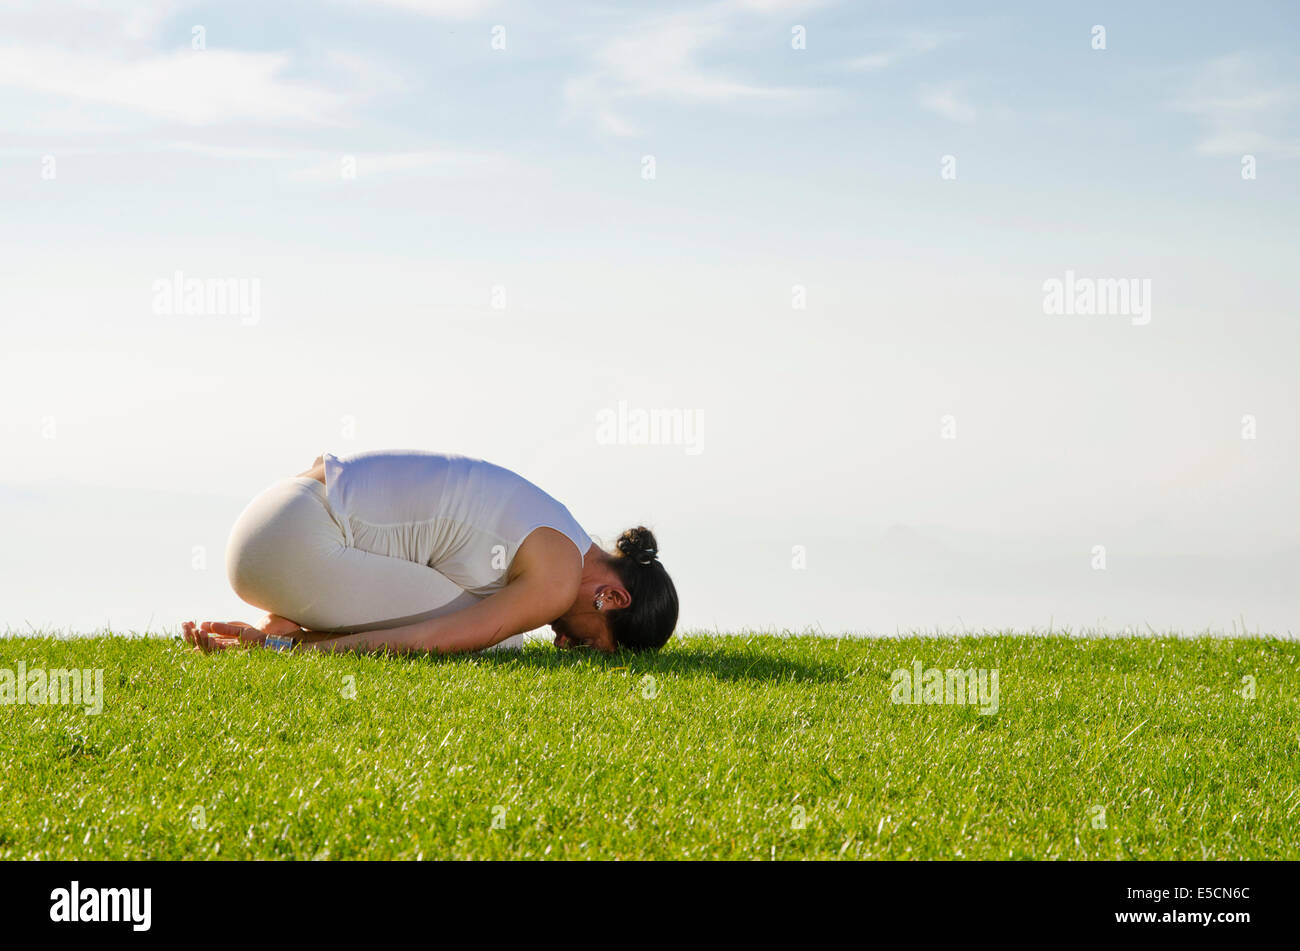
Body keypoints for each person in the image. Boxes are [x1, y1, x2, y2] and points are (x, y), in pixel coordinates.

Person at [182, 450, 677, 655]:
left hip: (276, 513)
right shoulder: (559, 577)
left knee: (495, 629)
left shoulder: (558, 524)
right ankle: (281, 635)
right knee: (500, 641)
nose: (564, 646)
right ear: (611, 599)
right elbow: (429, 638)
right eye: (590, 645)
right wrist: (285, 652)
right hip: (296, 542)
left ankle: (285, 620)